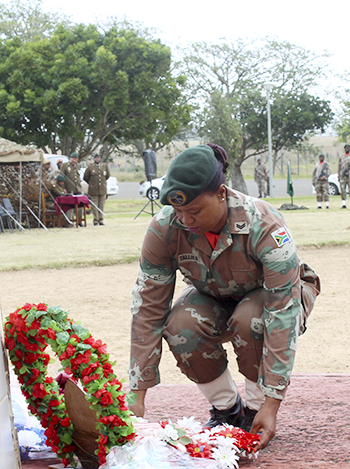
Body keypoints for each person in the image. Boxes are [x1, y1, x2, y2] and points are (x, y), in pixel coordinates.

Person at [127, 144, 320, 449]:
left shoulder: (264, 223)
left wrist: (271, 405)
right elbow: (149, 308)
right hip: (215, 296)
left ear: (221, 193)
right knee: (180, 324)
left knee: (251, 319)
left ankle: (255, 412)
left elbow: (282, 311)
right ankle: (228, 411)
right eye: (179, 211)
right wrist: (137, 393)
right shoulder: (165, 229)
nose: (186, 220)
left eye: (194, 211)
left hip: (271, 298)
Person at [84, 153, 110, 225]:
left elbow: (107, 176)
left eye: (98, 158)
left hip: (102, 188)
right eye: (96, 158)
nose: (97, 159)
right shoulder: (90, 167)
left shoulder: (104, 166)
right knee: (94, 205)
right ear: (94, 159)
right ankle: (96, 219)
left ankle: (101, 219)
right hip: (93, 189)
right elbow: (86, 177)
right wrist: (92, 183)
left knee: (101, 205)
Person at [338, 144, 350, 209]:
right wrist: (339, 175)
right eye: (346, 148)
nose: (347, 149)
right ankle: (344, 204)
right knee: (343, 190)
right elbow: (339, 166)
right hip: (342, 176)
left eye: (348, 148)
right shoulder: (341, 157)